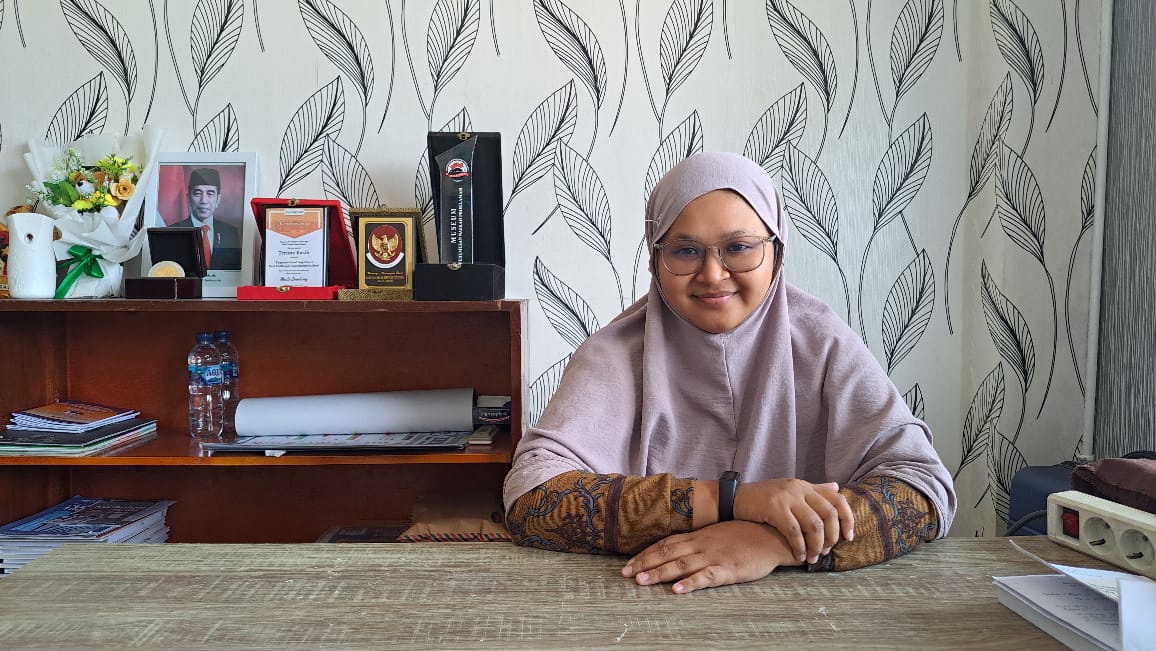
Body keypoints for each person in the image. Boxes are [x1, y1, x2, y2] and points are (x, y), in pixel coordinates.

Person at [503, 151, 956, 595]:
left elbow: (923, 491)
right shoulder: (614, 354)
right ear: (655, 258)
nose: (713, 274)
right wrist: (734, 501)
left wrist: (771, 542)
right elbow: (531, 500)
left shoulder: (822, 342)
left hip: (810, 609)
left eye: (739, 248)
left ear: (777, 250)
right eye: (685, 251)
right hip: (637, 599)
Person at [171, 167, 241, 270]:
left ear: (218, 199)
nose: (204, 200)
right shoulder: (173, 232)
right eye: (198, 193)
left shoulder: (230, 233)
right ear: (189, 198)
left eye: (210, 194)